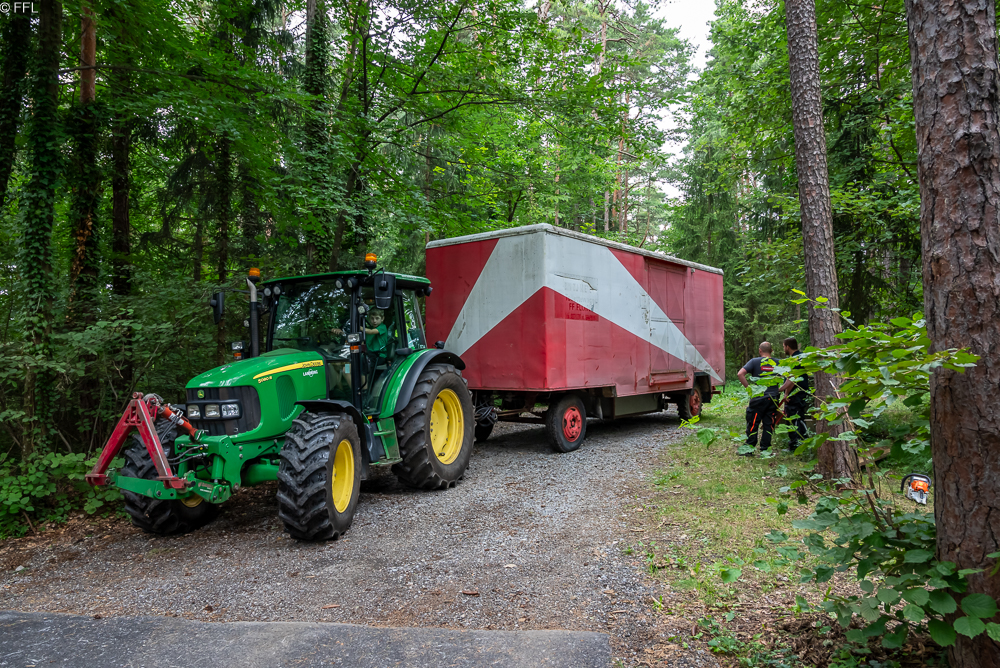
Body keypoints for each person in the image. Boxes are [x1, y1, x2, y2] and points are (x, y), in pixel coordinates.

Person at [736, 342, 781, 454]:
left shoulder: (754, 362)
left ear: (760, 350)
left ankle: (749, 448)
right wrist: (781, 390)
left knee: (753, 422)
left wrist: (750, 389)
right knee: (769, 423)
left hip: (758, 398)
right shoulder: (778, 363)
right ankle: (765, 449)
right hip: (773, 398)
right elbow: (791, 377)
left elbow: (740, 374)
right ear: (771, 351)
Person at [780, 337, 811, 451]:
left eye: (784, 346)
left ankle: (796, 444)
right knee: (796, 417)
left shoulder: (795, 359)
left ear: (787, 347)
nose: (784, 349)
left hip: (796, 394)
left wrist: (782, 391)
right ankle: (801, 442)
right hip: (795, 393)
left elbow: (792, 379)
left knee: (795, 418)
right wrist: (786, 393)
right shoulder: (800, 357)